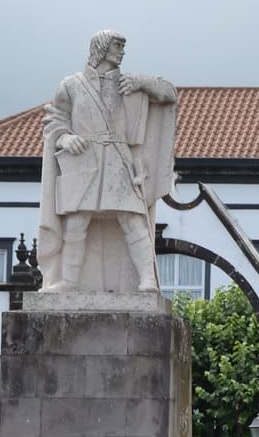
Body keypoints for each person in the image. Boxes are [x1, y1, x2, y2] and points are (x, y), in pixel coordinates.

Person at [37, 30, 178, 293]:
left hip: (118, 158)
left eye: (123, 46)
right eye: (118, 45)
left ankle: (147, 279)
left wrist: (143, 83)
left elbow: (169, 93)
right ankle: (68, 282)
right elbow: (55, 120)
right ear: (101, 48)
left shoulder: (129, 83)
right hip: (84, 159)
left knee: (132, 218)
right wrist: (65, 138)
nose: (122, 51)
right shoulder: (70, 85)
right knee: (77, 221)